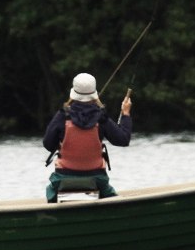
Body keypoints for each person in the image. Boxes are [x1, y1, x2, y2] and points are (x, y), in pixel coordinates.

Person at [43, 72, 132, 202]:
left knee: (50, 190)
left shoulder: (62, 116)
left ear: (73, 93)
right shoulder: (101, 117)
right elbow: (123, 139)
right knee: (110, 194)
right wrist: (125, 113)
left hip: (63, 178)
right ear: (93, 93)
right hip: (97, 179)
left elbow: (48, 144)